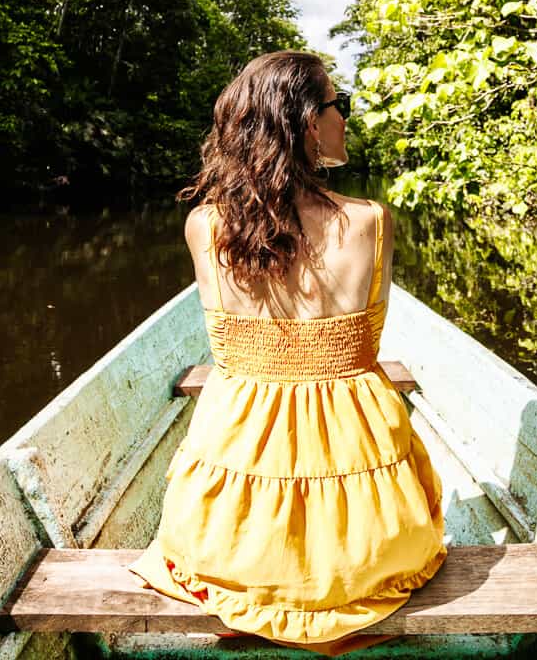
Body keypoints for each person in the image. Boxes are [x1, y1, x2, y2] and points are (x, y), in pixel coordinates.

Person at [129, 50, 447, 656]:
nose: (345, 119)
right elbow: (368, 344)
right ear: (307, 122)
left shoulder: (205, 225)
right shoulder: (371, 222)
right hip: (369, 534)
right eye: (337, 106)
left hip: (226, 533)